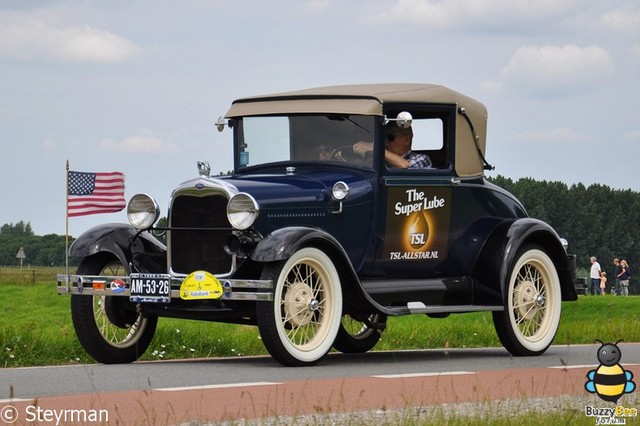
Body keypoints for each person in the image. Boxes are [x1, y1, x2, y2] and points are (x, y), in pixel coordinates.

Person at [352, 124, 432, 169]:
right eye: (383, 138)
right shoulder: (380, 159)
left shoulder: (422, 159)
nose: (385, 143)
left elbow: (405, 166)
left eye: (390, 137)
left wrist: (375, 148)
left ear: (406, 139)